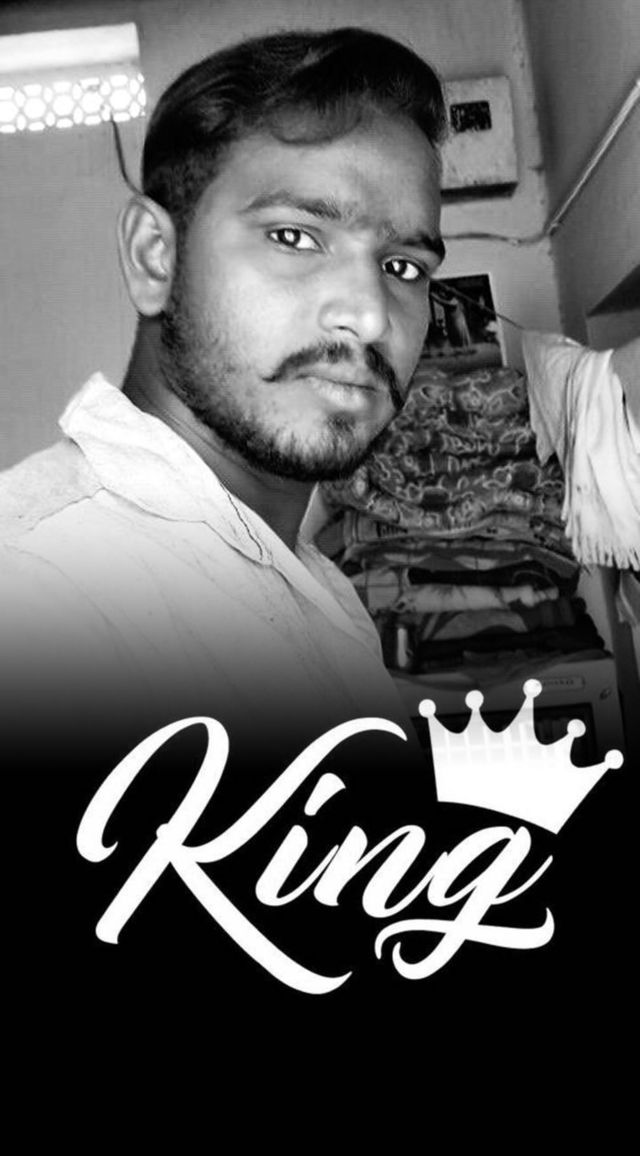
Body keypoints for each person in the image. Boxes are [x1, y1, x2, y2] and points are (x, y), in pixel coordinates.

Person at [0, 27, 447, 760]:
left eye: (403, 267)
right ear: (155, 257)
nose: (369, 316)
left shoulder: (321, 595)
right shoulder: (40, 590)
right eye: (295, 237)